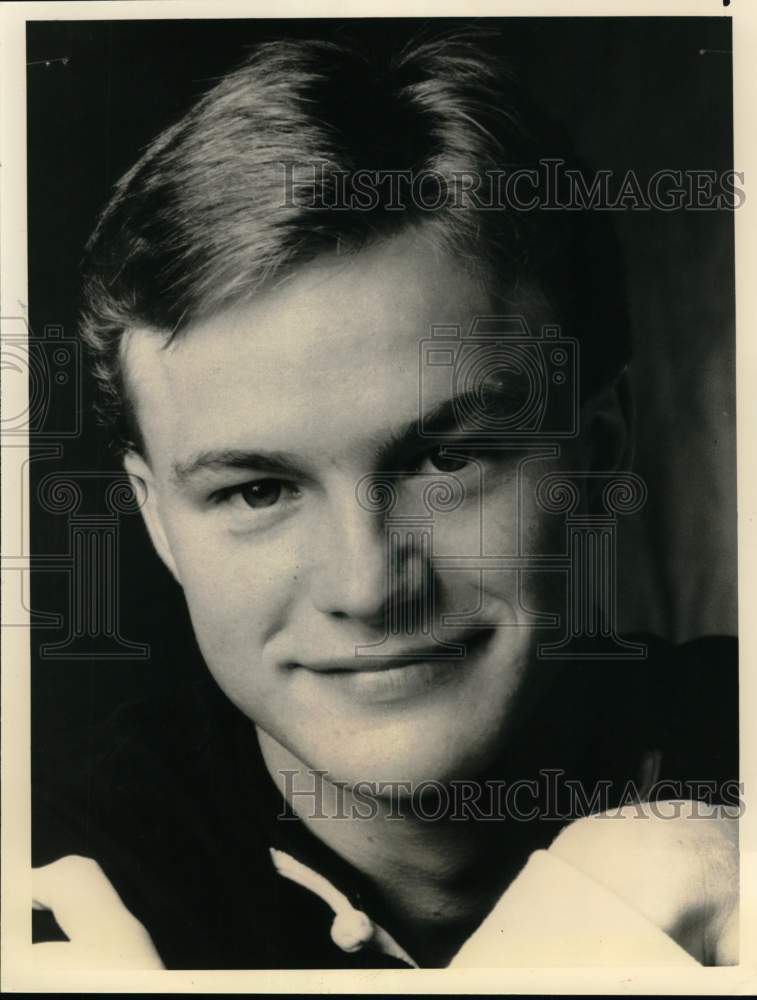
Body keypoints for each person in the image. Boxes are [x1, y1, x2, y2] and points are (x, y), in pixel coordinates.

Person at [31, 29, 738, 969]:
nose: (367, 587)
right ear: (156, 521)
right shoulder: (47, 887)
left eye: (445, 460)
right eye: (258, 490)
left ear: (599, 451)